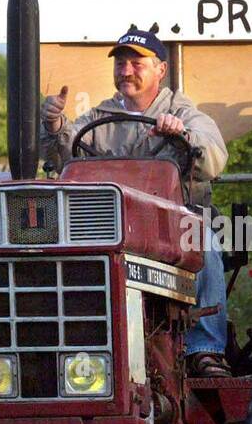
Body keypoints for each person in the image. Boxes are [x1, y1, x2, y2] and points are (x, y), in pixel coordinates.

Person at [39, 28, 232, 377]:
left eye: (136, 63)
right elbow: (62, 154)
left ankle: (206, 349)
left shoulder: (184, 112)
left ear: (160, 70)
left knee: (203, 239)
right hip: (115, 223)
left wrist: (182, 136)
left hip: (173, 221)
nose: (126, 71)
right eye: (121, 63)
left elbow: (215, 157)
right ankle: (71, 344)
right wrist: (54, 124)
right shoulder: (101, 118)